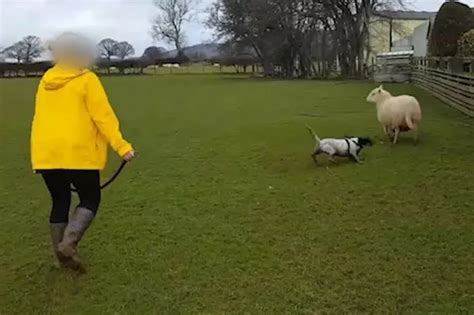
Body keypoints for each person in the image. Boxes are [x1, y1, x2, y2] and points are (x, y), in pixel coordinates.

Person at [31, 32, 135, 270]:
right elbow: (104, 117)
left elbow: (39, 118)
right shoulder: (87, 79)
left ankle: (60, 257)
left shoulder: (47, 78)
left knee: (59, 201)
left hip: (46, 153)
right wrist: (122, 146)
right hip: (78, 152)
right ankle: (68, 244)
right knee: (90, 198)